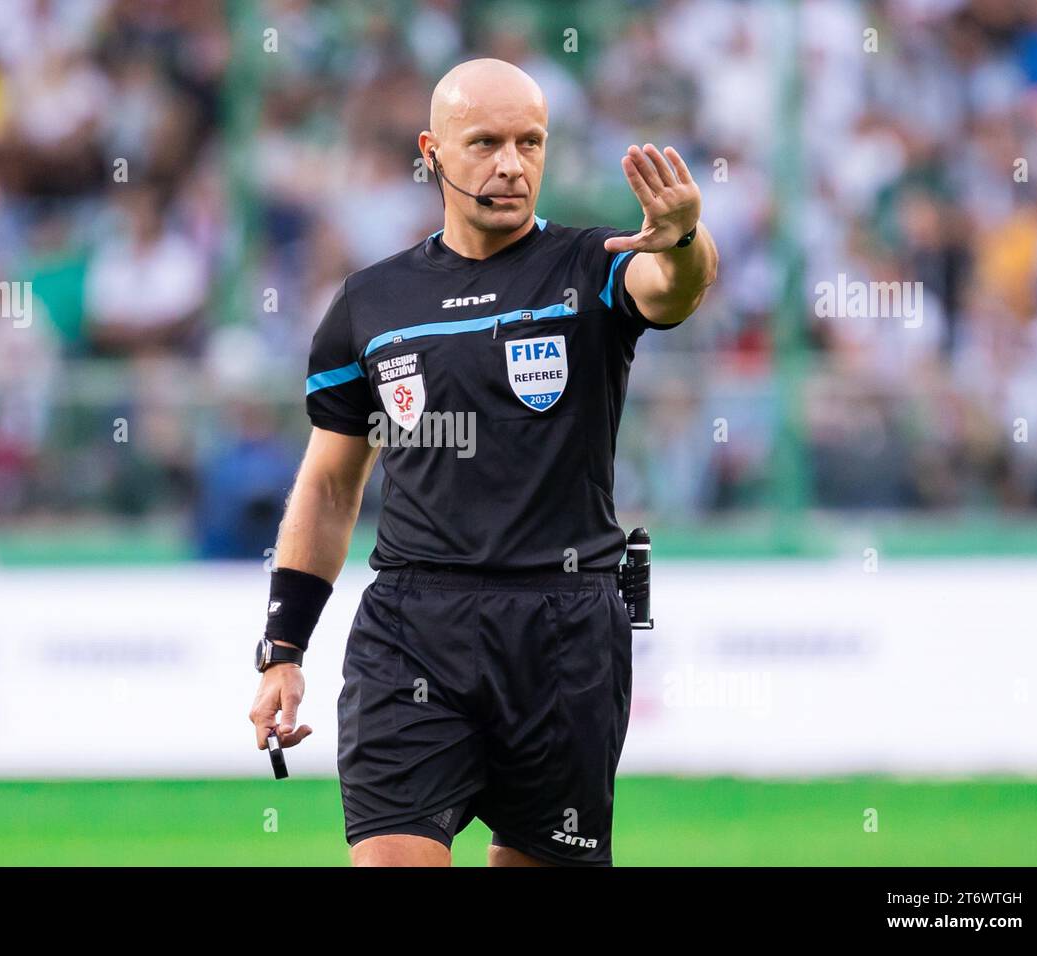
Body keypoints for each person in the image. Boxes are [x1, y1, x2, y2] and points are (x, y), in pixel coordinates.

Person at [249, 58, 718, 866]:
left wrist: (680, 237)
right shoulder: (370, 303)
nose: (511, 164)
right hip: (412, 625)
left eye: (530, 142)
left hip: (564, 627)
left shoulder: (592, 265)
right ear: (432, 152)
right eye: (486, 142)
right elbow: (329, 485)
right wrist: (283, 649)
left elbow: (673, 289)